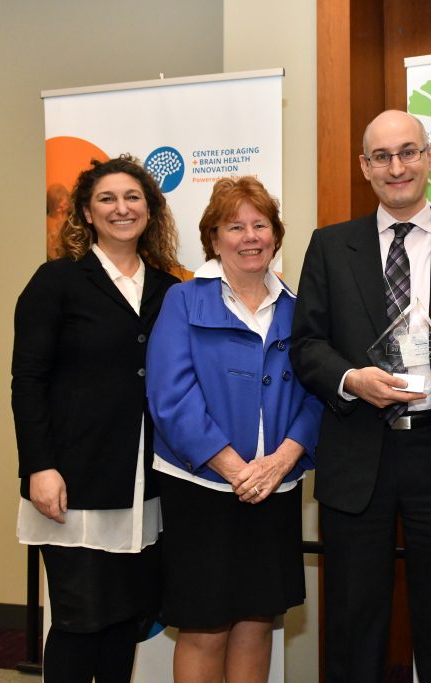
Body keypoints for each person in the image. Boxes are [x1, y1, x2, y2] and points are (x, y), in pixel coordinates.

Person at [291, 110, 431, 682]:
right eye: (383, 156)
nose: (397, 167)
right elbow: (306, 344)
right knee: (352, 622)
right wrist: (351, 379)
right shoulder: (328, 246)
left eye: (409, 152)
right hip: (358, 452)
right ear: (364, 167)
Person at [146, 176, 322, 683]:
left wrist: (282, 461)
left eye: (260, 225)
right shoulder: (183, 301)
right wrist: (234, 468)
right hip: (201, 488)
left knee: (256, 619)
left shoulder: (299, 305)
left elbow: (317, 393)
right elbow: (170, 396)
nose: (250, 236)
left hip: (277, 486)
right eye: (235, 226)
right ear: (214, 238)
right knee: (205, 626)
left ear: (276, 234)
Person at [12, 155, 181, 682]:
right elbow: (28, 382)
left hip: (145, 486)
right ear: (85, 213)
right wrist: (39, 466)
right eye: (106, 199)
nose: (121, 208)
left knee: (125, 621)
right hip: (73, 483)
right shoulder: (57, 281)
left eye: (132, 197)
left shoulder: (169, 289)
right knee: (79, 621)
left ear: (150, 211)